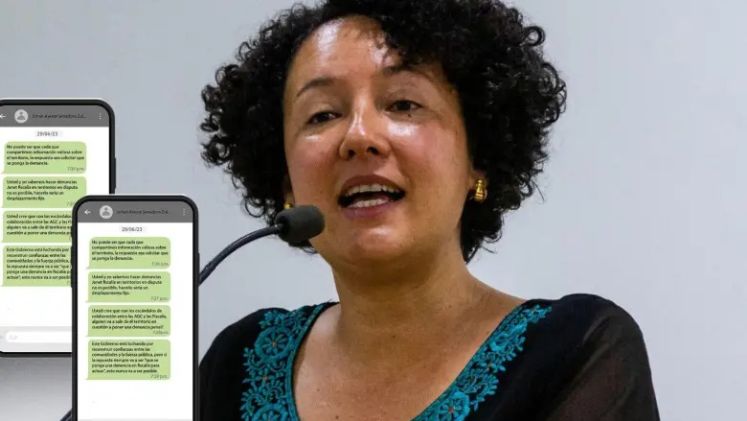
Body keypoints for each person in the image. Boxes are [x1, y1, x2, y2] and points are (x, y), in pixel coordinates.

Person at [198, 0, 660, 419]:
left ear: (477, 160)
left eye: (403, 104)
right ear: (287, 185)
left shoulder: (574, 351)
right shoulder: (238, 364)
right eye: (322, 115)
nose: (359, 136)